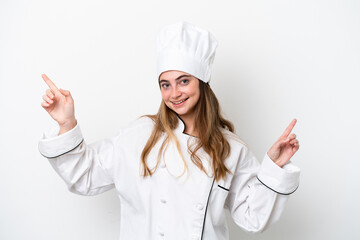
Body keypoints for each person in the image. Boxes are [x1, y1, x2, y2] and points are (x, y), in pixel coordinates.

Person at [39, 22, 300, 240]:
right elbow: (84, 177)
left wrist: (273, 168)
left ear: (202, 83)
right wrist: (66, 124)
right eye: (166, 84)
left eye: (183, 81)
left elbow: (252, 218)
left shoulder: (230, 149)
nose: (174, 93)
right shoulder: (139, 136)